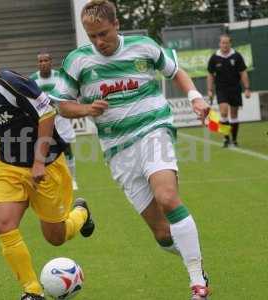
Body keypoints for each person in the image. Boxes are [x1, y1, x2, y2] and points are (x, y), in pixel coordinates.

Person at [49, 1, 211, 299]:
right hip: (117, 150)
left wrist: (195, 97)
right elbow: (61, 105)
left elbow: (176, 72)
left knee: (168, 198)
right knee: (162, 235)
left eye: (104, 33)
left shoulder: (144, 47)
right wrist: (86, 108)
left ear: (117, 25)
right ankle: (194, 261)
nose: (99, 41)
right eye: (92, 36)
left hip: (153, 130)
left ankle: (197, 281)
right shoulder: (77, 61)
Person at [0, 39, 95, 300]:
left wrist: (39, 161)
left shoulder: (11, 83)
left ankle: (81, 213)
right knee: (3, 224)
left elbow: (47, 114)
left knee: (56, 237)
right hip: (8, 168)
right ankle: (32, 290)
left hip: (47, 165)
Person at [30, 51, 79, 190]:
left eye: (46, 60)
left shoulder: (59, 77)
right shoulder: (32, 80)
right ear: (37, 63)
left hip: (61, 119)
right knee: (43, 149)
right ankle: (47, 180)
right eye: (40, 61)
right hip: (43, 121)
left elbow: (68, 94)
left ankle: (72, 180)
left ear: (51, 62)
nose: (43, 63)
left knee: (67, 148)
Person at [207, 34, 251, 147]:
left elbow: (243, 72)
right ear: (219, 44)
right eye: (223, 43)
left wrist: (247, 88)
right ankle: (226, 139)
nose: (225, 45)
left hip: (235, 88)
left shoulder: (236, 56)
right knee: (223, 112)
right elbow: (210, 74)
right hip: (221, 89)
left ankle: (234, 140)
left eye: (227, 43)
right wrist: (210, 90)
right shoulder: (214, 57)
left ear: (230, 43)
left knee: (234, 114)